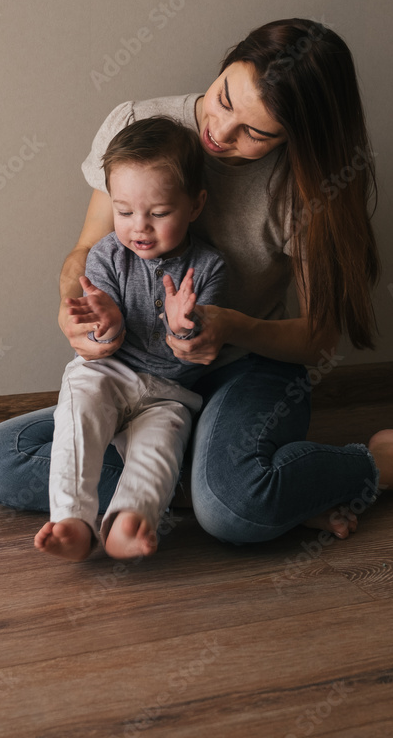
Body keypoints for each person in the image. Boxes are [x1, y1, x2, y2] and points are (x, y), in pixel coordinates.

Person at [0, 17, 393, 550]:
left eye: (256, 133)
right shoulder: (137, 124)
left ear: (295, 137)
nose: (220, 134)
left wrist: (230, 327)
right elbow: (86, 253)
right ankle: (244, 487)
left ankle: (386, 463)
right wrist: (77, 311)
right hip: (137, 371)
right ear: (227, 63)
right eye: (224, 98)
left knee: (233, 511)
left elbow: (318, 337)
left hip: (247, 367)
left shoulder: (305, 186)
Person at [34, 116, 226, 561]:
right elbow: (102, 336)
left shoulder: (210, 267)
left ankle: (128, 520)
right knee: (77, 418)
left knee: (159, 450)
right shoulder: (106, 255)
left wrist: (183, 324)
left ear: (194, 205)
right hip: (108, 373)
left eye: (158, 213)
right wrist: (106, 320)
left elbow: (195, 350)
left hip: (168, 393)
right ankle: (72, 519)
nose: (139, 227)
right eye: (124, 212)